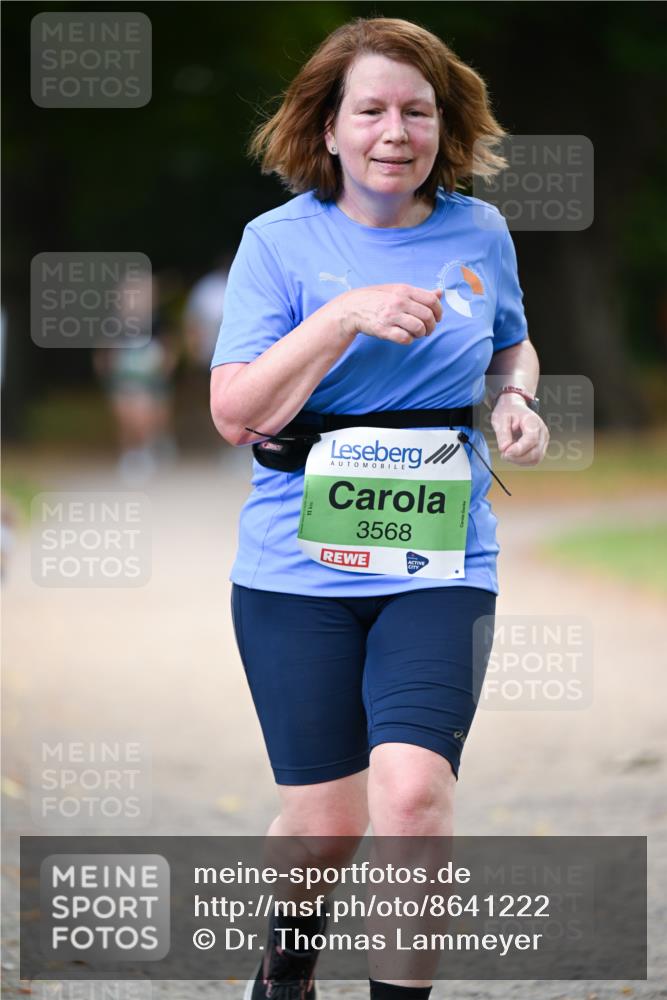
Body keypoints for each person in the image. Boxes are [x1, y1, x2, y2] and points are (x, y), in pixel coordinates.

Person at [209, 16, 549, 1000]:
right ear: (328, 127)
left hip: (440, 565)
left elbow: (510, 344)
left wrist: (516, 395)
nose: (393, 130)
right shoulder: (276, 243)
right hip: (292, 572)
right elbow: (234, 411)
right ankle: (284, 973)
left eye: (416, 109)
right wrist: (342, 315)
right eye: (370, 109)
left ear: (443, 126)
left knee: (411, 796)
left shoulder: (480, 230)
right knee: (325, 821)